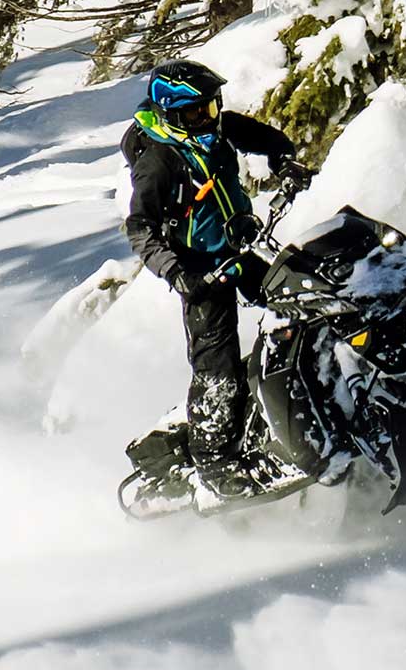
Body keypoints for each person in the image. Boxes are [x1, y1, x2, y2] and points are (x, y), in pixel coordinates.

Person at [123, 60, 304, 499]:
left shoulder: (217, 129)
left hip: (241, 251)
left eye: (211, 107)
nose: (208, 118)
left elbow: (267, 138)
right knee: (217, 368)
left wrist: (285, 163)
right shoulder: (159, 161)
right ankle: (215, 465)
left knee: (302, 305)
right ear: (170, 114)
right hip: (201, 273)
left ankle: (292, 403)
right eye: (195, 113)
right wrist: (178, 273)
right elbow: (139, 229)